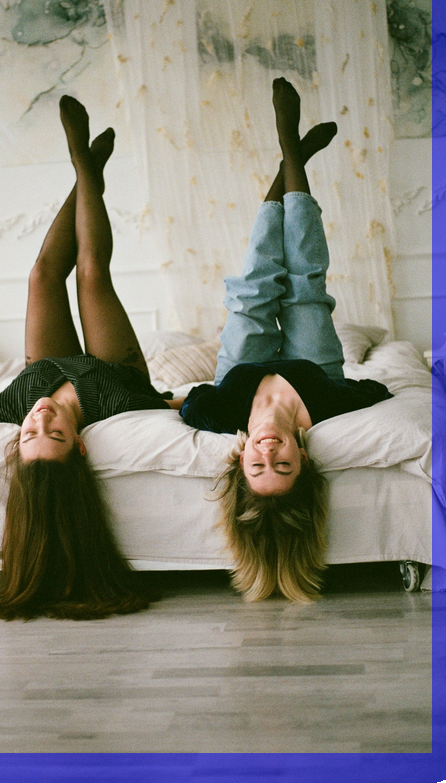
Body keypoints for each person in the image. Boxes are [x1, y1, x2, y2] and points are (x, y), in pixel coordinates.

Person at [0, 95, 180, 621]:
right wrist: (178, 404)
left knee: (41, 275)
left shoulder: (11, 411)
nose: (40, 419)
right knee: (90, 274)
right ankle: (84, 163)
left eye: (29, 435)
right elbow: (170, 409)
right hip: (112, 371)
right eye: (55, 434)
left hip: (48, 365)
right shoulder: (116, 407)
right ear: (80, 445)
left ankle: (88, 172)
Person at [180, 77, 392, 603]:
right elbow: (377, 391)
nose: (269, 452)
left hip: (240, 374)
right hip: (311, 371)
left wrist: (171, 400)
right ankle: (293, 150)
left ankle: (288, 156)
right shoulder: (329, 408)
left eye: (258, 466)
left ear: (240, 459)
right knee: (304, 284)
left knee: (255, 286)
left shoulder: (220, 414)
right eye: (283, 465)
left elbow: (190, 401)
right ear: (304, 458)